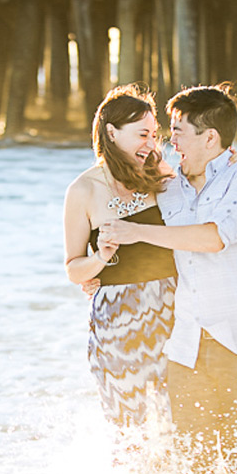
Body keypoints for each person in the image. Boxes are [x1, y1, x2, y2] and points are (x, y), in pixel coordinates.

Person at [99, 84, 237, 474]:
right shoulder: (170, 185)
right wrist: (100, 274)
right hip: (186, 349)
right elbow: (112, 193)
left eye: (178, 131)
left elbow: (214, 237)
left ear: (211, 138)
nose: (169, 141)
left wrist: (136, 233)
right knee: (193, 473)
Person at [63, 84, 177, 428]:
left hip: (174, 308)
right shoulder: (82, 190)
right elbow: (73, 269)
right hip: (117, 320)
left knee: (179, 424)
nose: (151, 144)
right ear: (111, 132)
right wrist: (100, 258)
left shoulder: (164, 177)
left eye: (154, 134)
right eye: (142, 134)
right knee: (129, 431)